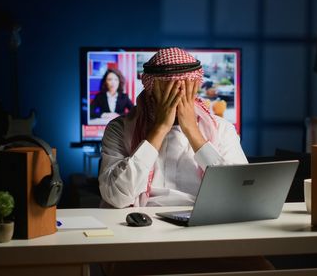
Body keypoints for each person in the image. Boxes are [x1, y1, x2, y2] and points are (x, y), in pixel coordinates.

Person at [97, 48, 271, 274]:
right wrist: (159, 129)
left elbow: (239, 195)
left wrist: (192, 131)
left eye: (184, 90)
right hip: (141, 236)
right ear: (151, 90)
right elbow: (117, 196)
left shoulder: (222, 130)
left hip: (211, 235)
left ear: (195, 87)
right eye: (168, 91)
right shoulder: (120, 129)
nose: (177, 98)